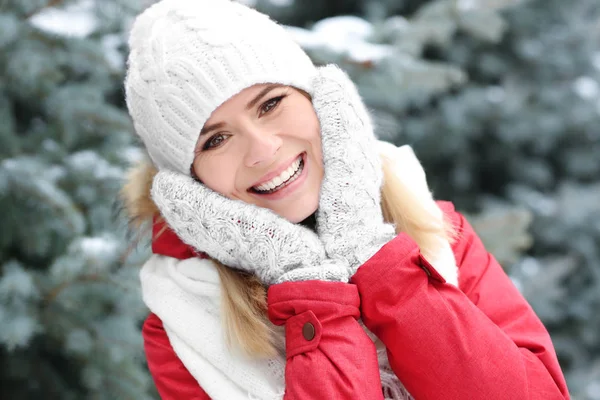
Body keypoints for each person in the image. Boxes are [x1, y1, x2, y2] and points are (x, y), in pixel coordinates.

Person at [121, 0, 570, 399]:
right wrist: (311, 291)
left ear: (322, 103)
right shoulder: (182, 324)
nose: (262, 149)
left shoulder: (438, 233)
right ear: (188, 181)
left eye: (270, 104)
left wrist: (375, 261)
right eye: (216, 140)